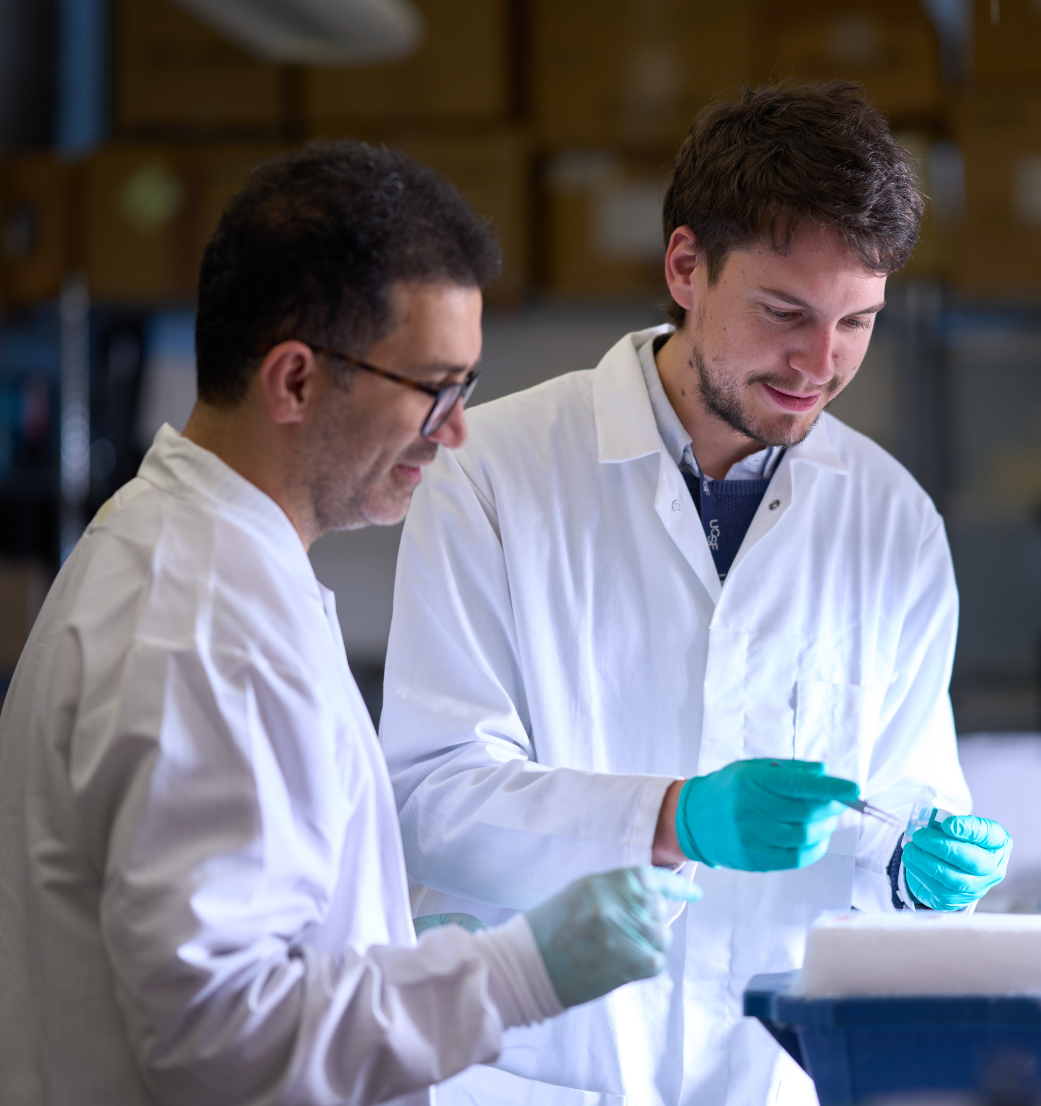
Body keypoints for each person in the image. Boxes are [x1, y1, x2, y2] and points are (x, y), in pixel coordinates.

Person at [0, 141, 699, 1106]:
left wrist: (392, 947)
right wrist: (516, 973)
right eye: (434, 389)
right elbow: (222, 1037)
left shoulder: (203, 557)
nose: (454, 433)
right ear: (293, 380)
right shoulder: (204, 621)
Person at [381, 83, 1013, 1106]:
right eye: (785, 314)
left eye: (857, 321)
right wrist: (673, 817)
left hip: (772, 1075)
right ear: (685, 267)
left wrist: (915, 862)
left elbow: (899, 799)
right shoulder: (492, 472)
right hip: (549, 1065)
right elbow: (432, 801)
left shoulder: (892, 523)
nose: (822, 364)